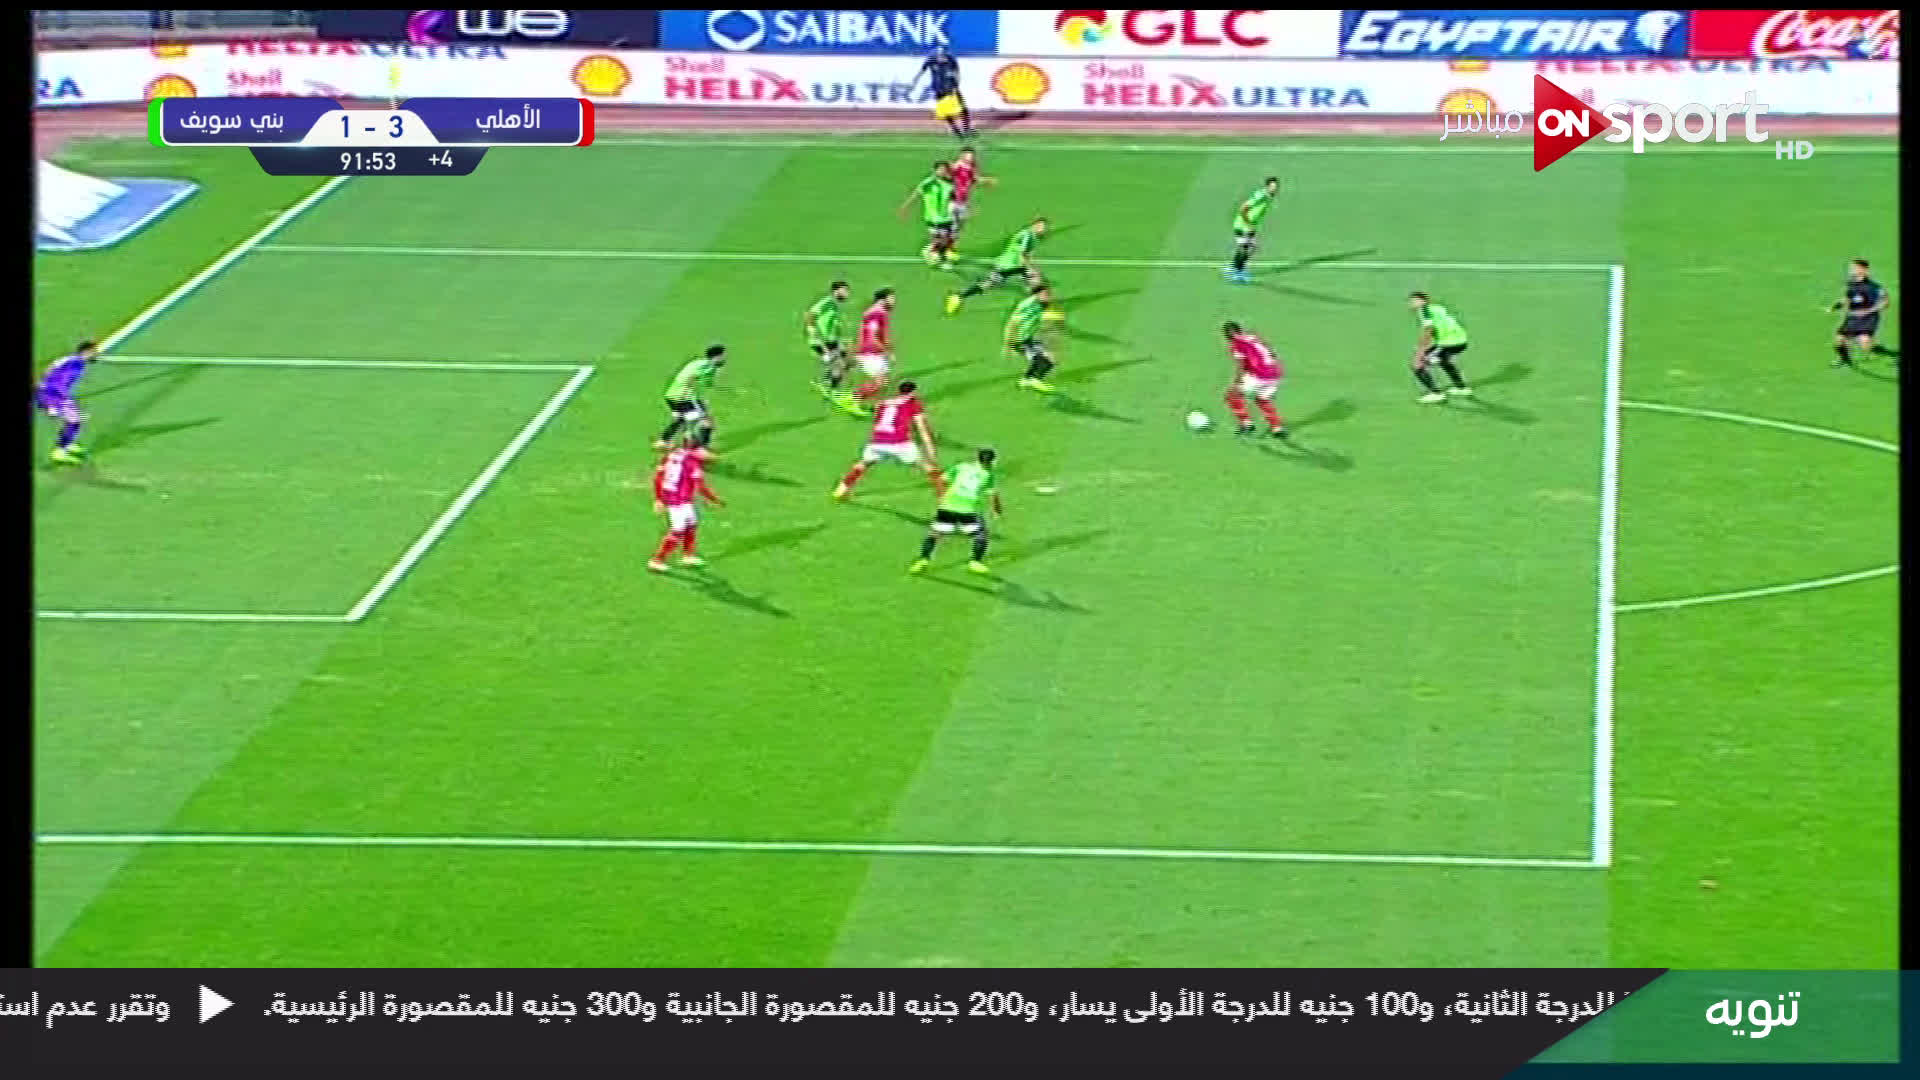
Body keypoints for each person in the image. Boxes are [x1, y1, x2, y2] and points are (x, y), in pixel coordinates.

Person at [832, 380, 942, 500]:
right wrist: (930, 450)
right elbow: (922, 428)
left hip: (877, 442)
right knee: (929, 467)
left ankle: (842, 489)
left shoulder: (884, 403)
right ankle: (944, 496)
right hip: (899, 443)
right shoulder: (912, 402)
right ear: (913, 392)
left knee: (864, 463)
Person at [910, 447, 1002, 575]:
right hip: (967, 510)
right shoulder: (989, 474)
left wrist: (941, 496)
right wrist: (997, 510)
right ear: (992, 461)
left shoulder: (961, 467)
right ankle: (975, 562)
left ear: (977, 457)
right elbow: (993, 495)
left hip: (948, 506)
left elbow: (941, 479)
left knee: (935, 534)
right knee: (980, 534)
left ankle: (923, 559)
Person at [648, 438, 722, 572]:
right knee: (678, 530)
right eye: (705, 451)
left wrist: (659, 498)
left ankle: (688, 556)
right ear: (697, 450)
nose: (708, 454)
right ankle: (657, 560)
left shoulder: (673, 455)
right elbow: (701, 487)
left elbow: (658, 477)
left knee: (691, 524)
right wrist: (715, 500)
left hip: (679, 498)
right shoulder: (692, 463)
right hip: (678, 501)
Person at [1222, 321, 1288, 438]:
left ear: (1227, 335)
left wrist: (1237, 383)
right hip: (1275, 374)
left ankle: (1246, 424)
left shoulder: (1236, 344)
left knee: (1232, 395)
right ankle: (1277, 428)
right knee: (1263, 400)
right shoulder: (1254, 337)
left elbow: (1241, 365)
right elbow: (1272, 353)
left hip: (1259, 376)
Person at [37, 340, 98, 464]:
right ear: (86, 351)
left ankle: (67, 444)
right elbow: (61, 382)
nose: (96, 354)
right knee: (75, 421)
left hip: (51, 392)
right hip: (55, 395)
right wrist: (52, 405)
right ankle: (60, 452)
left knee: (74, 420)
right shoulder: (76, 363)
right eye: (94, 351)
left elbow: (48, 371)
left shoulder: (71, 359)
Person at [656, 344, 725, 449]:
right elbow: (692, 378)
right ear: (717, 356)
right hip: (687, 397)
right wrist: (684, 394)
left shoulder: (697, 362)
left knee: (680, 419)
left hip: (671, 395)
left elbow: (706, 382)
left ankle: (663, 441)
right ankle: (701, 449)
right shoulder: (707, 367)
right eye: (723, 356)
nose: (724, 358)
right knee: (707, 422)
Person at [1407, 292, 1472, 403]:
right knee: (1443, 360)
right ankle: (1461, 388)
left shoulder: (1424, 311)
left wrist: (1420, 351)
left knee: (1417, 364)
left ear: (1425, 301)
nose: (1413, 303)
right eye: (1411, 301)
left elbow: (1429, 330)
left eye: (1416, 301)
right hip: (1461, 340)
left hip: (1449, 343)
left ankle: (1436, 394)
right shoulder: (1437, 307)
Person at [1830, 258, 1894, 368]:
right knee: (1839, 340)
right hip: (1853, 316)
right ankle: (1844, 359)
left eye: (1856, 268)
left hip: (1868, 317)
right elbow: (1847, 298)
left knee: (1864, 343)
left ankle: (1876, 348)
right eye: (1852, 268)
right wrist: (1835, 306)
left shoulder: (1874, 287)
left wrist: (1869, 311)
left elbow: (1886, 302)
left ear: (1865, 269)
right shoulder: (1851, 284)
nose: (1852, 270)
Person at [917, 46, 971, 139]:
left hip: (952, 89)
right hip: (939, 90)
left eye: (943, 56)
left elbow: (957, 72)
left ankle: (966, 129)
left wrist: (956, 85)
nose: (942, 58)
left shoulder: (951, 59)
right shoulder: (931, 60)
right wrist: (915, 80)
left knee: (963, 109)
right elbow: (922, 70)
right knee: (946, 112)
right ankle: (955, 130)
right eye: (939, 56)